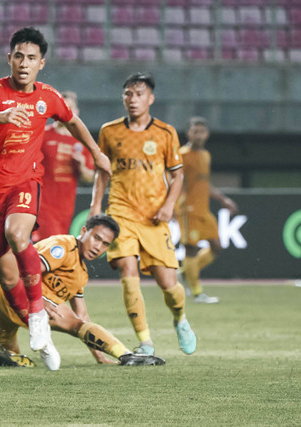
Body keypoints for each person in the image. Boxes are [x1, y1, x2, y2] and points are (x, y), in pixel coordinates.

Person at [0, 27, 111, 359]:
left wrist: (95, 152)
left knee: (17, 233)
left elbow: (73, 121)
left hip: (24, 184)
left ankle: (38, 314)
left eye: (32, 58)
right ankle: (41, 337)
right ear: (9, 59)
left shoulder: (47, 97)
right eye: (19, 56)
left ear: (42, 63)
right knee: (7, 277)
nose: (24, 63)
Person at [89, 72, 197, 357]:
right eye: (128, 94)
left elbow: (178, 175)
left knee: (168, 285)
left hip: (154, 218)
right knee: (127, 269)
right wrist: (95, 206)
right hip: (121, 214)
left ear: (151, 98)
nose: (133, 99)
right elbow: (102, 173)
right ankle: (145, 341)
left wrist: (169, 205)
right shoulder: (109, 131)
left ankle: (180, 318)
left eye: (139, 94)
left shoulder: (165, 132)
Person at [0, 214, 166, 370]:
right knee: (73, 323)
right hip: (10, 294)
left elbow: (83, 316)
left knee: (9, 356)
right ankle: (126, 355)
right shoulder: (64, 247)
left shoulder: (81, 274)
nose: (98, 247)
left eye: (105, 244)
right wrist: (40, 301)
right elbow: (23, 270)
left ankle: (3, 355)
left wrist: (98, 355)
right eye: (96, 238)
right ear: (83, 231)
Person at [175, 116, 238, 304]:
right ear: (189, 133)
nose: (198, 134)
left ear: (207, 134)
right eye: (195, 131)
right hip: (188, 209)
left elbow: (203, 183)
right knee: (191, 249)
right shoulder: (182, 154)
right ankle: (197, 293)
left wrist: (222, 199)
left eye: (202, 131)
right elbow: (174, 181)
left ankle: (184, 274)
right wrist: (172, 205)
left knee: (216, 246)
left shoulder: (205, 155)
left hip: (204, 209)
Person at [32, 91, 94, 242]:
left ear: (76, 111)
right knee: (53, 245)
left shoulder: (82, 140)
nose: (65, 111)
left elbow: (90, 177)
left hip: (67, 206)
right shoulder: (42, 135)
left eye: (70, 107)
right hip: (43, 204)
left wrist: (81, 166)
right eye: (61, 107)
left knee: (53, 248)